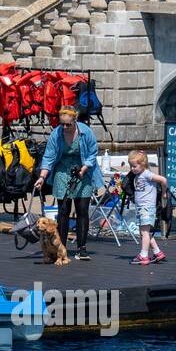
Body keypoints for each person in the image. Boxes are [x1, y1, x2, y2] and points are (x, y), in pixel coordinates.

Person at [33, 106, 100, 260]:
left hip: (83, 170)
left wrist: (83, 169)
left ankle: (82, 248)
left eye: (68, 124)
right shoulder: (56, 134)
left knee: (82, 209)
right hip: (62, 170)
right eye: (62, 124)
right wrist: (42, 177)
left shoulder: (86, 132)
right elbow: (49, 156)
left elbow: (92, 153)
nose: (64, 127)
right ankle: (61, 247)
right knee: (63, 210)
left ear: (75, 121)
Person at [125, 149, 169, 265]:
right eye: (130, 166)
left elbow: (163, 180)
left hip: (147, 207)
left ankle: (144, 255)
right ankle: (157, 252)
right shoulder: (138, 175)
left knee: (144, 232)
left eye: (134, 166)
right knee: (144, 232)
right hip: (141, 207)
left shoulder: (147, 174)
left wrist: (164, 192)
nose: (132, 169)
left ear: (143, 165)